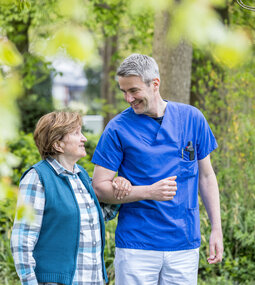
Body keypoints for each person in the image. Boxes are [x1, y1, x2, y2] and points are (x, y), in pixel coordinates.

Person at [92, 54, 223, 285]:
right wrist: (148, 192)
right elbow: (100, 188)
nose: (128, 98)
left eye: (133, 90)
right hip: (137, 245)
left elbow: (206, 176)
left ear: (155, 84)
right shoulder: (117, 129)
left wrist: (216, 228)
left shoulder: (192, 118)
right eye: (123, 91)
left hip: (184, 243)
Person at [10, 111, 127, 285]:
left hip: (92, 280)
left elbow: (98, 216)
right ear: (58, 144)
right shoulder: (38, 177)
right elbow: (22, 241)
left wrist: (118, 186)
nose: (84, 139)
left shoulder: (80, 176)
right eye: (76, 133)